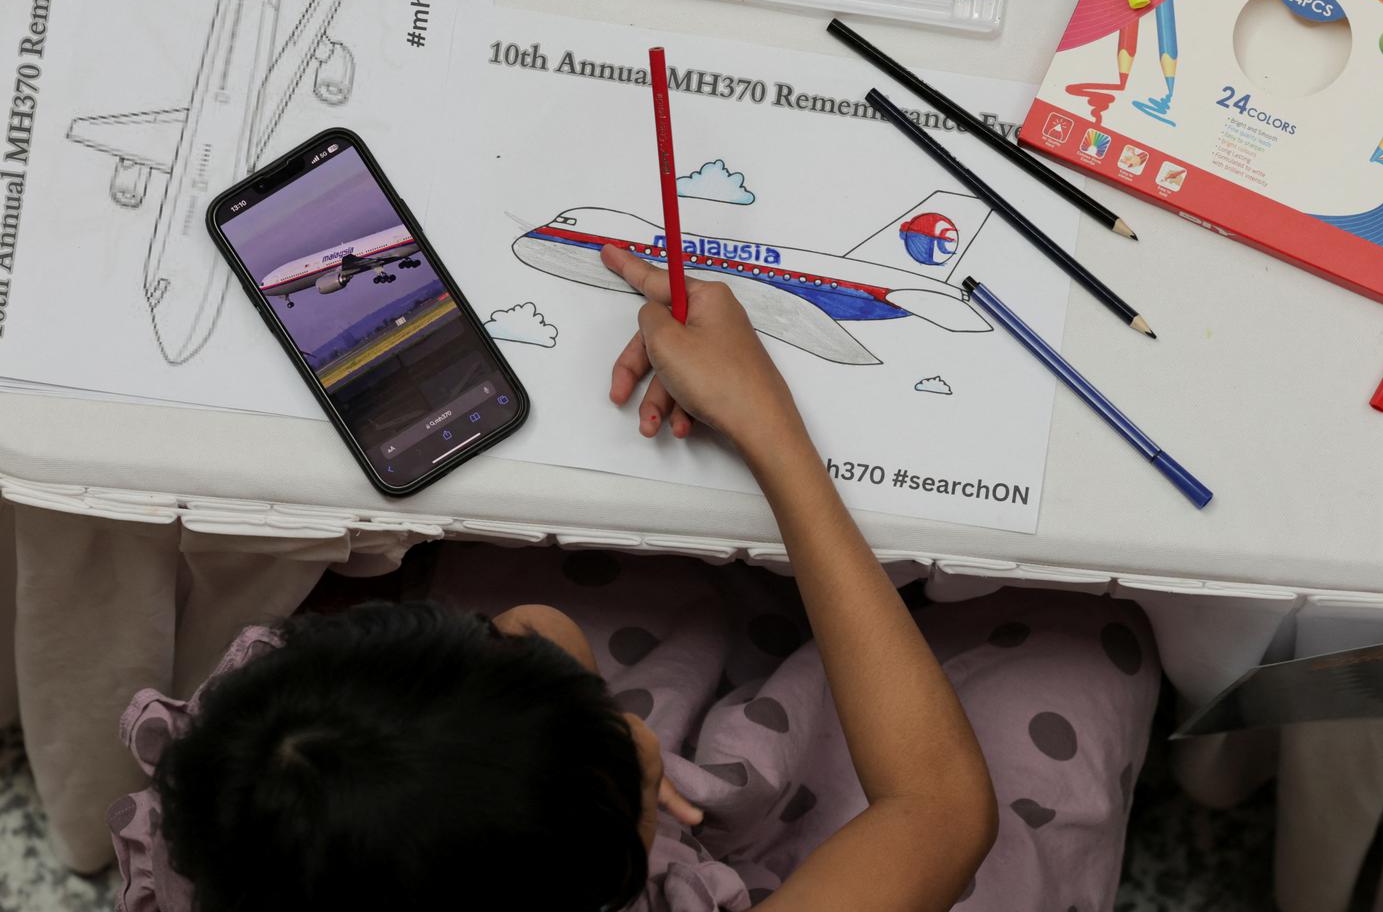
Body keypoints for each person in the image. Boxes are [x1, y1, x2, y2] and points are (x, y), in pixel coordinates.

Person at [120, 244, 1003, 912]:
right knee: (1047, 677)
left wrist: (593, 767)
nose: (641, 733)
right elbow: (941, 810)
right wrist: (770, 428)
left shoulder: (250, 784)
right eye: (628, 777)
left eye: (484, 638)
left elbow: (535, 626)